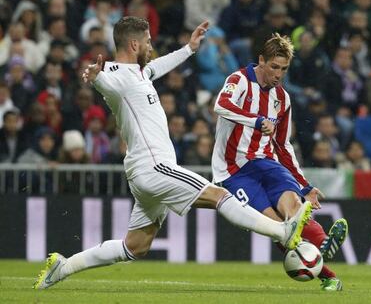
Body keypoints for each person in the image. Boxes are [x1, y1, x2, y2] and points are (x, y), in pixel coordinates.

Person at [33, 17, 312, 290]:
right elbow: (107, 86)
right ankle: (282, 231)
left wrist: (189, 49)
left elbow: (157, 66)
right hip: (155, 167)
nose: (151, 46)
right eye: (148, 42)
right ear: (133, 44)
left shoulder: (140, 73)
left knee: (135, 246)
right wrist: (96, 79)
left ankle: (64, 266)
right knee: (219, 195)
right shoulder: (115, 76)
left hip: (143, 173)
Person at [212, 33, 348, 291]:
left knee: (294, 205)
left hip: (266, 161)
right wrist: (255, 120)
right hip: (233, 170)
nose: (278, 74)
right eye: (274, 67)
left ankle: (321, 246)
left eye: (283, 69)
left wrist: (305, 185)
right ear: (261, 60)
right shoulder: (239, 80)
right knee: (276, 225)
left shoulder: (283, 98)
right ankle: (325, 272)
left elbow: (283, 145)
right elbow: (220, 105)